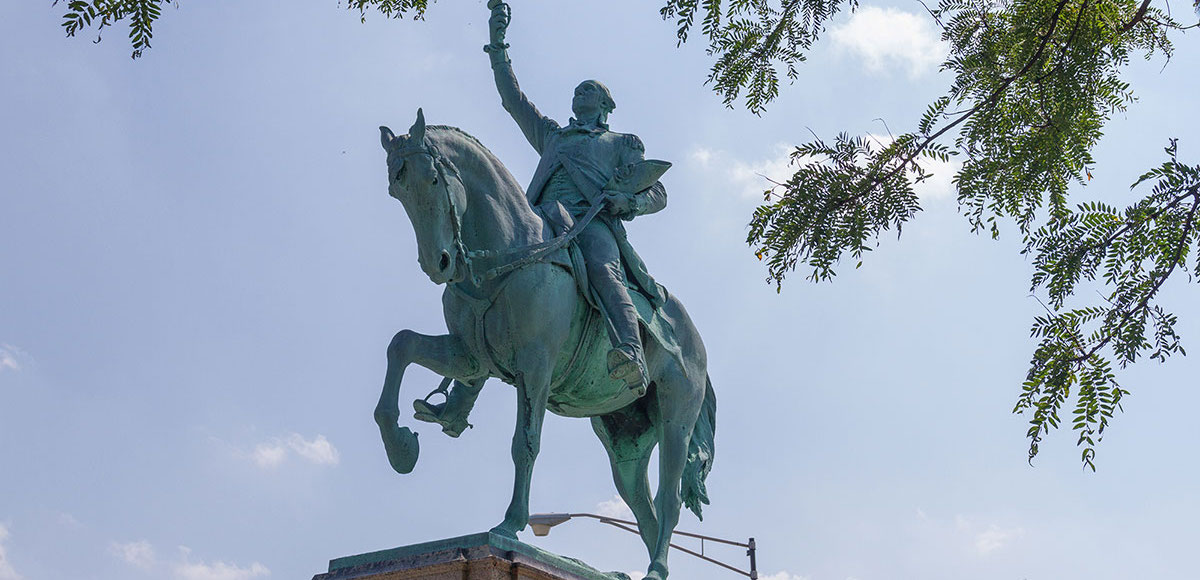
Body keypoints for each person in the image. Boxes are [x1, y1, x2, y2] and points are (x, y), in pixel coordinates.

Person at [485, 0, 667, 391]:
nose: (577, 92)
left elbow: (657, 191)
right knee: (488, 276)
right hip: (541, 220)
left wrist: (630, 203)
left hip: (590, 222)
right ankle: (461, 391)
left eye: (588, 89)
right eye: (576, 90)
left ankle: (631, 352)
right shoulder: (553, 136)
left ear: (604, 104)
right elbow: (513, 99)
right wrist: (497, 45)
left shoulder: (621, 142)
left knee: (603, 270)